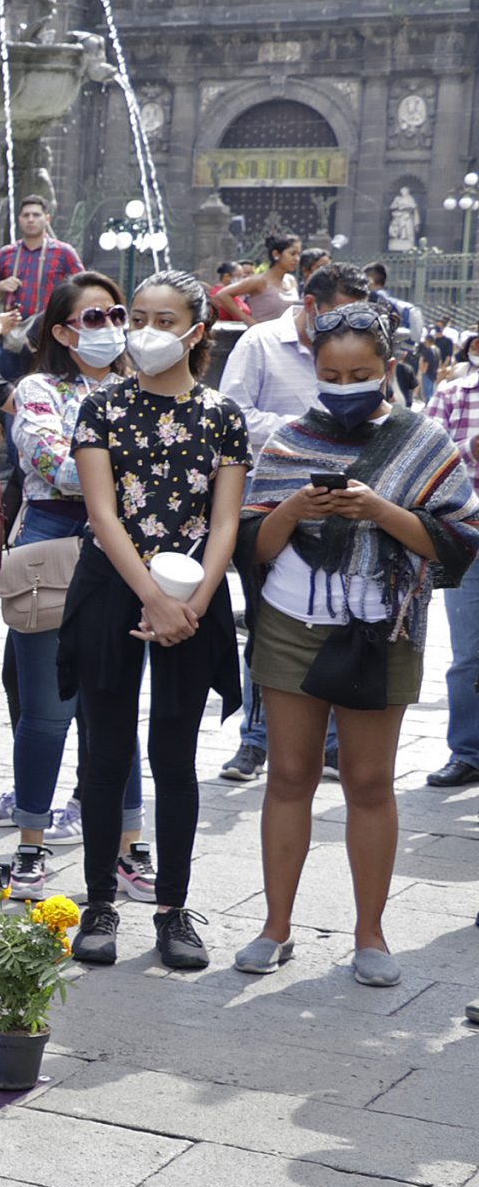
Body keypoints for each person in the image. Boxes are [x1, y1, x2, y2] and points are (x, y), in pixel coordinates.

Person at [236, 304, 478, 985]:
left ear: (389, 369)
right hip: (291, 621)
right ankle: (274, 926)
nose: (346, 383)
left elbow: (458, 541)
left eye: (361, 373)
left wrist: (380, 510)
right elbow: (252, 544)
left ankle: (370, 933)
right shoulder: (286, 439)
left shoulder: (423, 440)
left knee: (370, 782)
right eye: (332, 373)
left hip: (384, 629)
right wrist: (293, 510)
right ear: (315, 371)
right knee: (288, 775)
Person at [63, 269, 247, 969]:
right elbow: (103, 514)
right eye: (137, 315)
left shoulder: (221, 414)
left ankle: (173, 908)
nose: (146, 330)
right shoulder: (102, 408)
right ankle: (100, 900)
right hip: (113, 584)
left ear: (197, 331)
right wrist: (152, 596)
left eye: (165, 319)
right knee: (103, 751)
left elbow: (227, 519)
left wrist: (190, 605)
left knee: (175, 755)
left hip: (194, 591)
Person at [0, 273, 151, 899]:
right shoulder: (40, 387)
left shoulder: (143, 388)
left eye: (117, 313)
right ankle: (30, 847)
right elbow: (49, 463)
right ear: (61, 330)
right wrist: (130, 474)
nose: (110, 326)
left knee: (115, 708)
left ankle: (128, 847)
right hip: (54, 553)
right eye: (93, 317)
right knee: (47, 710)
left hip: (130, 558)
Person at [217, 259, 363, 781]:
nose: (349, 331)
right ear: (310, 305)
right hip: (268, 506)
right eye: (340, 317)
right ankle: (254, 740)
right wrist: (306, 431)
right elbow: (231, 414)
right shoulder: (260, 344)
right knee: (265, 621)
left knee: (333, 615)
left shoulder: (352, 350)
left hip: (340, 509)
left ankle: (325, 740)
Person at [422, 340, 479, 788]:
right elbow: (425, 458)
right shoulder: (454, 394)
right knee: (468, 655)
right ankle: (468, 750)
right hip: (470, 537)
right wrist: (472, 446)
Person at [0, 196, 85, 322]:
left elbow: (83, 290)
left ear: (47, 219)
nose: (31, 220)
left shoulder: (64, 252)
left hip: (50, 329)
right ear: (19, 219)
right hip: (13, 331)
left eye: (36, 215)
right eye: (26, 215)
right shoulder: (5, 253)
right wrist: (0, 286)